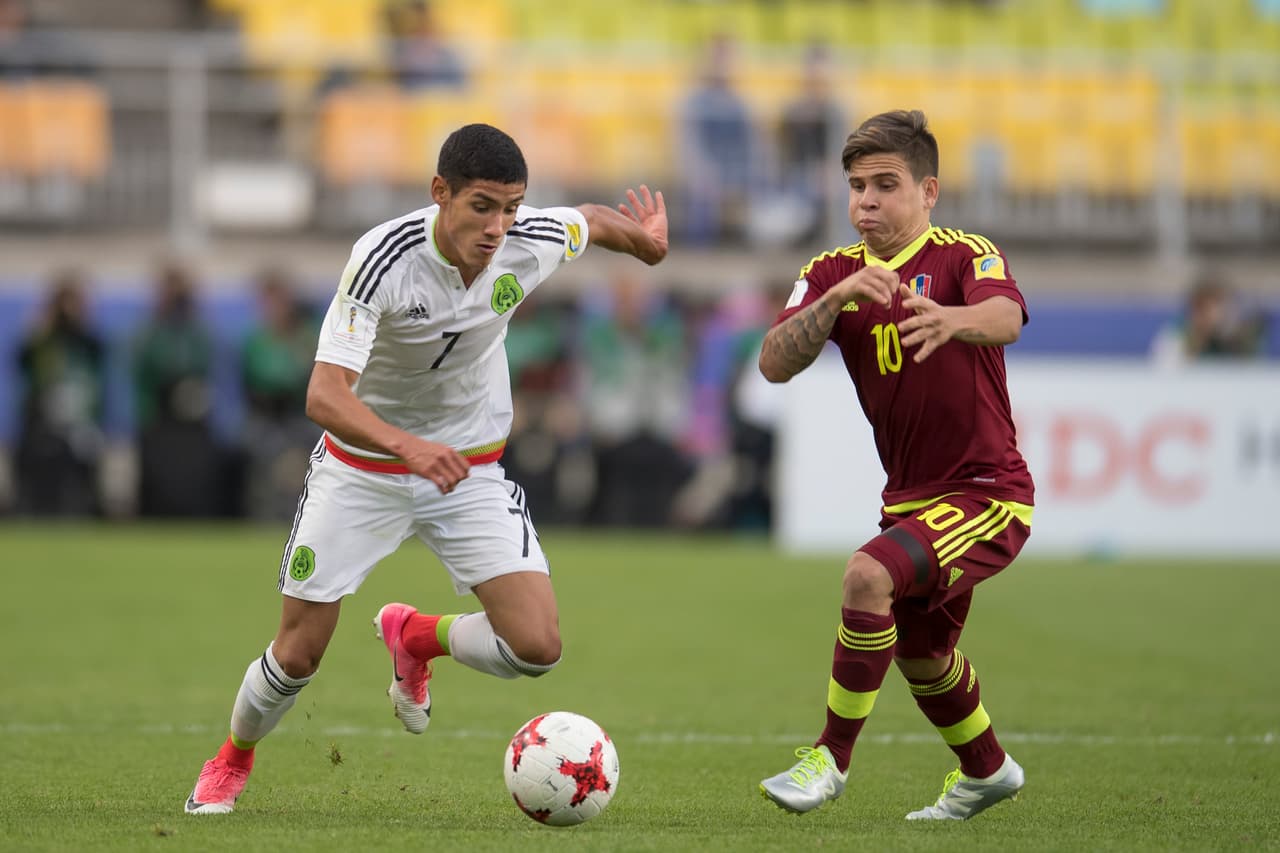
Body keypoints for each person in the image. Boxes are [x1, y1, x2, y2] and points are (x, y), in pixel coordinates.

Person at [183, 122, 668, 815]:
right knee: (298, 654)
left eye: (511, 206)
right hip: (361, 470)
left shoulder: (527, 238)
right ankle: (231, 758)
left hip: (468, 470)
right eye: (481, 206)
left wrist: (644, 241)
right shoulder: (383, 257)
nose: (499, 225)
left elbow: (588, 221)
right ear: (440, 192)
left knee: (537, 645)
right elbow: (323, 394)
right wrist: (407, 447)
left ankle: (416, 635)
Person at [756, 110, 1034, 821]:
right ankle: (988, 770)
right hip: (911, 498)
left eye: (885, 184)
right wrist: (838, 300)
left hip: (986, 492)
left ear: (928, 190)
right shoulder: (829, 272)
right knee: (923, 656)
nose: (866, 202)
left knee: (867, 575)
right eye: (856, 186)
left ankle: (828, 760)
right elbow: (773, 363)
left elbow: (1005, 317)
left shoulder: (964, 255)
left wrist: (952, 320)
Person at [13, 269, 106, 516]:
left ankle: (84, 510)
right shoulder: (43, 341)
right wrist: (40, 328)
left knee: (85, 460)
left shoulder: (87, 342)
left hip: (81, 421)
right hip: (43, 422)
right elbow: (23, 363)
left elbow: (97, 365)